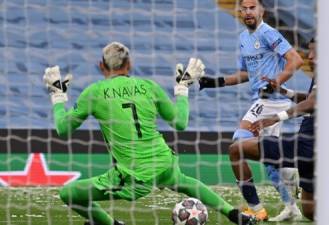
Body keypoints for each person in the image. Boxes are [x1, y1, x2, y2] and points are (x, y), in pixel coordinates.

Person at [43, 42, 257, 225]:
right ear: (130, 65)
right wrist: (182, 89)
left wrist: (58, 96)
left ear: (101, 66)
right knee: (186, 182)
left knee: (69, 194)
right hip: (163, 161)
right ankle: (234, 214)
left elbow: (63, 129)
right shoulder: (149, 86)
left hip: (133, 175)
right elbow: (180, 123)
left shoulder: (95, 92)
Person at [229, 38, 329, 223]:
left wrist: (274, 117)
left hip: (306, 144)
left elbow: (311, 103)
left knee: (236, 150)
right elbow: (309, 98)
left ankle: (257, 210)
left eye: (315, 52)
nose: (310, 57)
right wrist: (283, 91)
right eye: (310, 51)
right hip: (318, 152)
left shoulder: (326, 75)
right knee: (311, 211)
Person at [198, 0, 304, 221]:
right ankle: (291, 203)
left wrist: (274, 82)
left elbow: (296, 60)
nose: (248, 12)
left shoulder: (269, 33)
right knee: (268, 161)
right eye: (244, 8)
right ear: (239, 11)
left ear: (261, 10)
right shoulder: (243, 38)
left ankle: (257, 209)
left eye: (252, 7)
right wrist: (216, 82)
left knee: (237, 146)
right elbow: (245, 74)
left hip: (272, 100)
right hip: (262, 100)